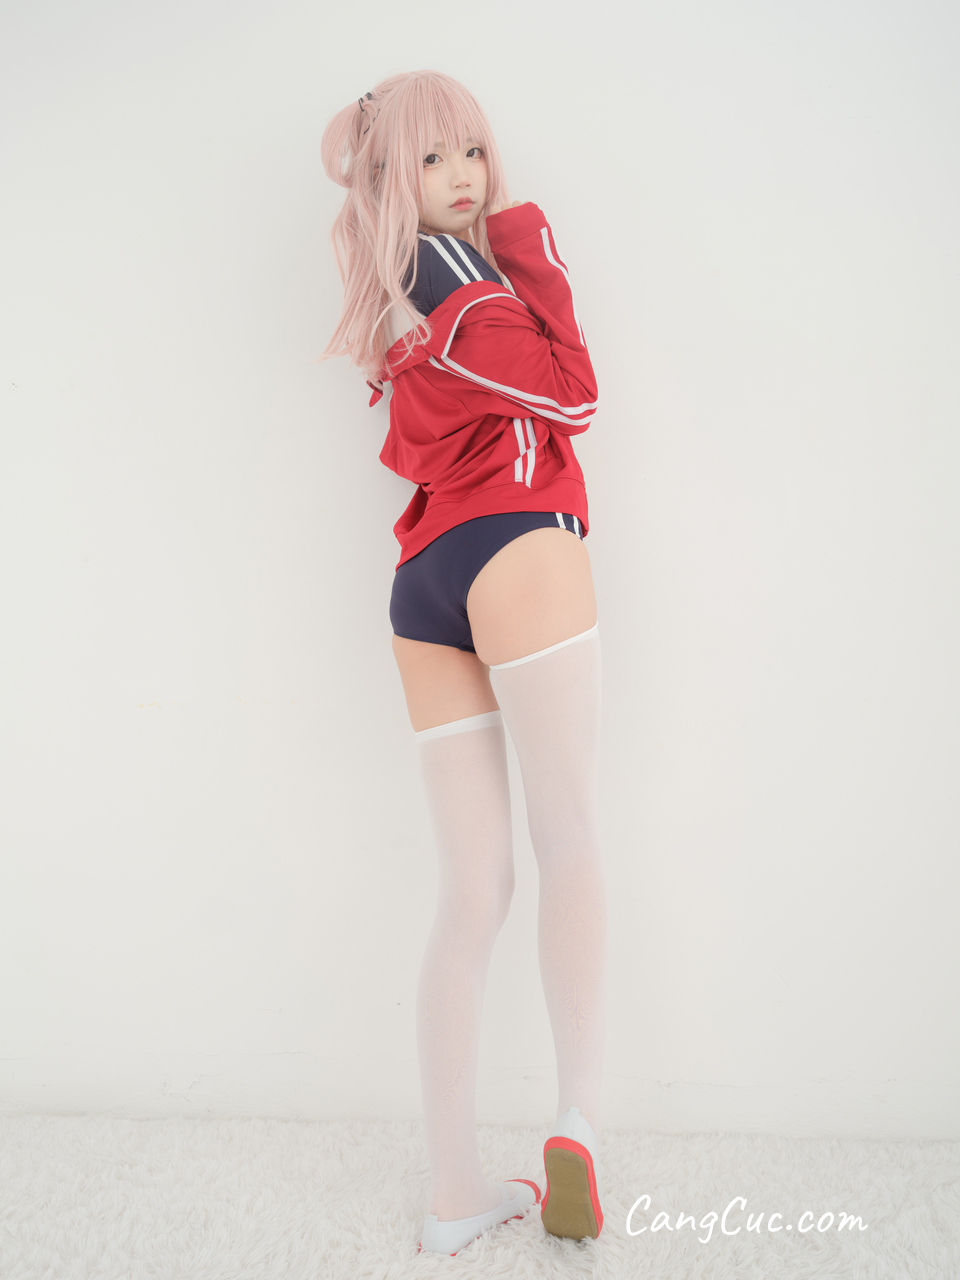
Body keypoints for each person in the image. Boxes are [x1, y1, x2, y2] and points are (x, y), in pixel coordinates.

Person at [320, 70, 608, 1257]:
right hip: (516, 548)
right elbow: (576, 395)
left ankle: (453, 1192)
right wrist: (524, 241)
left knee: (472, 887)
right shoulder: (471, 291)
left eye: (472, 153)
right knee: (568, 834)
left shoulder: (396, 302)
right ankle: (577, 1118)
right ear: (395, 180)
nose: (463, 178)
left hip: (424, 584)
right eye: (431, 160)